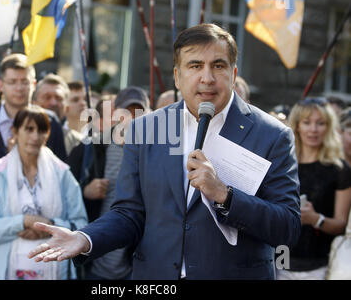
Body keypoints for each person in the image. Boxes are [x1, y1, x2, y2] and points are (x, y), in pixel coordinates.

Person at [28, 23, 301, 280]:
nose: (207, 78)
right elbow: (128, 213)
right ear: (177, 76)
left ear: (233, 73)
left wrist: (224, 195)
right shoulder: (144, 129)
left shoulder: (272, 135)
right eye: (195, 66)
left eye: (218, 66)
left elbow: (287, 226)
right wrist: (85, 238)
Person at [0, 53, 67, 280]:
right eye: (12, 82)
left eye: (24, 82)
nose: (19, 88)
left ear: (33, 84)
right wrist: (10, 156)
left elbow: (63, 176)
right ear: (1, 85)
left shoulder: (51, 123)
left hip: (42, 234)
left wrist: (41, 224)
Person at [0, 106, 87, 280]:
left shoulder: (63, 173)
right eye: (29, 129)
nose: (35, 136)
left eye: (41, 130)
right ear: (14, 131)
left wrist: (49, 226)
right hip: (5, 271)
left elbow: (80, 224)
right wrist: (23, 222)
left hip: (55, 271)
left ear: (48, 134)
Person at [276, 97, 351, 280]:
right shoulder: (281, 164)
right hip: (279, 259)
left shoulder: (339, 169)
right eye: (307, 122)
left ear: (329, 127)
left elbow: (341, 225)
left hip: (318, 265)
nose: (313, 129)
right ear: (297, 125)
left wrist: (315, 219)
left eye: (320, 123)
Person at [84, 86, 149, 280]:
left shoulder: (155, 152)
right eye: (126, 112)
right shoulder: (96, 145)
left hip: (133, 266)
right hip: (95, 260)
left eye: (138, 112)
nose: (131, 118)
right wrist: (85, 191)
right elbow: (68, 192)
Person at [33, 73, 82, 156]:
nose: (53, 103)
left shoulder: (78, 142)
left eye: (59, 98)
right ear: (34, 104)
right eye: (47, 97)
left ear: (67, 108)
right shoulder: (21, 137)